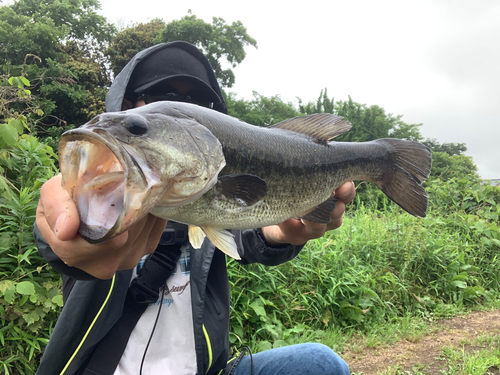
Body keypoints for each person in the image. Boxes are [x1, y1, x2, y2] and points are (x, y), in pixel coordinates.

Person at [34, 41, 354, 375]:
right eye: (163, 94)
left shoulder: (204, 198)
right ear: (129, 106)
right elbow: (54, 224)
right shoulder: (93, 189)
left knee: (320, 364)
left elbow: (249, 234)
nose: (181, 106)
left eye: (199, 102)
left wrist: (282, 234)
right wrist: (64, 234)